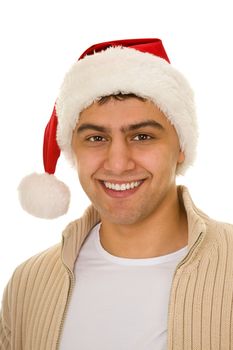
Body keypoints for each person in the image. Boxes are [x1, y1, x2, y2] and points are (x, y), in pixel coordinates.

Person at [0, 38, 232, 350]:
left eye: (142, 136)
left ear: (181, 147)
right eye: (96, 137)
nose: (118, 163)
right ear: (74, 151)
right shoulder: (28, 283)